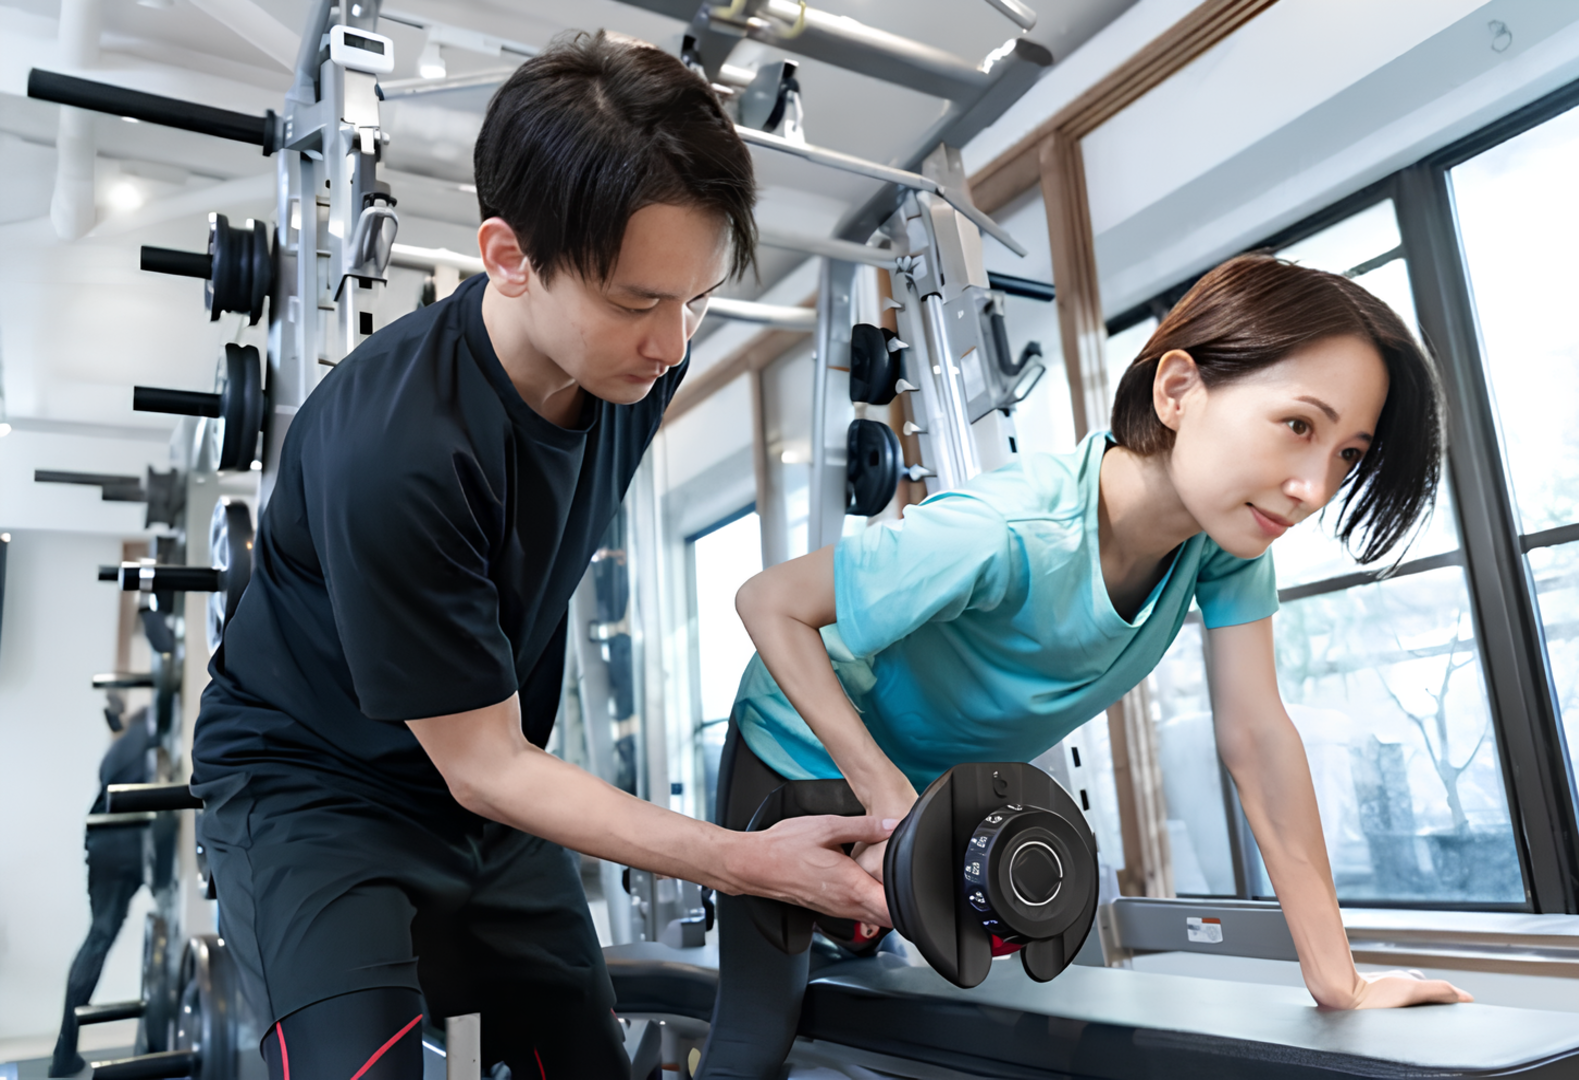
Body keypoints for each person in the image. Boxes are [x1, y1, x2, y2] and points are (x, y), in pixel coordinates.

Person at [190, 33, 891, 1080]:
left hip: (484, 785)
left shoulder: (630, 377)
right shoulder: (399, 452)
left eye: (694, 298)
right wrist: (746, 863)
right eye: (636, 300)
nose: (673, 345)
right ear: (509, 257)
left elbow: (487, 769)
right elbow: (485, 768)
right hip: (315, 792)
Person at [708, 254, 1473, 1077]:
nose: (1312, 486)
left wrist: (1337, 980)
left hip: (933, 791)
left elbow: (1257, 736)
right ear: (1178, 390)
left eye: (1346, 455)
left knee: (949, 1019)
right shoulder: (1006, 532)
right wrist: (887, 798)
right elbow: (768, 603)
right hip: (799, 757)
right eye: (1298, 425)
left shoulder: (1223, 548)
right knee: (761, 1032)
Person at [49, 711, 149, 1078]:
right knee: (104, 935)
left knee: (99, 936)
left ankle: (64, 1051)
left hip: (104, 843)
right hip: (129, 838)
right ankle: (63, 1053)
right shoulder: (151, 730)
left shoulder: (122, 747)